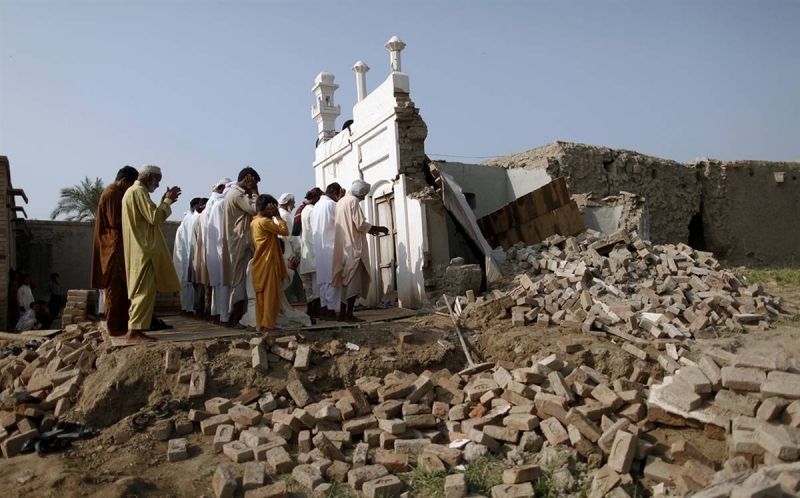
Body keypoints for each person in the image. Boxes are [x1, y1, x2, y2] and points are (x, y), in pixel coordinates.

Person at [122, 164, 182, 343]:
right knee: (144, 292)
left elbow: (148, 216)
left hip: (140, 249)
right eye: (157, 181)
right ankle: (134, 332)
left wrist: (163, 201)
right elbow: (154, 217)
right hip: (144, 250)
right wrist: (167, 201)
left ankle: (136, 329)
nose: (157, 185)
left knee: (143, 291)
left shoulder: (134, 193)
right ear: (149, 177)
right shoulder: (138, 192)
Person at [332, 179, 389, 322]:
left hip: (343, 246)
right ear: (360, 192)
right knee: (353, 281)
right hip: (354, 247)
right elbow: (360, 224)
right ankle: (349, 314)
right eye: (364, 195)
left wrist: (370, 231)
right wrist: (379, 228)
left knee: (346, 281)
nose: (364, 198)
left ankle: (342, 314)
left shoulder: (341, 202)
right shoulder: (353, 201)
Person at [91, 165, 139, 337]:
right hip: (113, 250)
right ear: (125, 181)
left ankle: (122, 325)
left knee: (122, 291)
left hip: (118, 249)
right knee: (114, 290)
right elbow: (116, 221)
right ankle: (115, 328)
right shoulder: (111, 194)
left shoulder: (116, 193)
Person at [221, 167, 260, 327]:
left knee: (241, 280)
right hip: (239, 241)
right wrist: (255, 191)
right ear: (248, 178)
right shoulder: (237, 194)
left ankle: (237, 317)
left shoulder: (235, 194)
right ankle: (235, 318)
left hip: (238, 241)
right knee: (240, 281)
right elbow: (256, 208)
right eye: (253, 182)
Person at [250, 194, 289, 331]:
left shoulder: (254, 221)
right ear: (268, 209)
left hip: (260, 262)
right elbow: (285, 231)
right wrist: (278, 216)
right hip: (268, 262)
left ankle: (261, 323)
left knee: (261, 296)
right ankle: (268, 324)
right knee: (271, 295)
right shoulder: (264, 222)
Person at [312, 182, 345, 320]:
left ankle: (325, 309)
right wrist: (341, 201)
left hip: (320, 247)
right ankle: (331, 311)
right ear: (334, 192)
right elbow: (341, 222)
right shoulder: (331, 205)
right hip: (330, 246)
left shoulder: (316, 206)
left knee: (324, 281)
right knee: (332, 279)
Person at [205, 180, 233, 325]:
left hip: (221, 249)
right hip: (225, 249)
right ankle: (224, 317)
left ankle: (221, 316)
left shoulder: (216, 204)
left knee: (223, 285)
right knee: (226, 284)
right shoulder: (220, 205)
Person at [174, 198, 201, 316]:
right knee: (188, 286)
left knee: (186, 286)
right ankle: (188, 309)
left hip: (184, 257)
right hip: (186, 256)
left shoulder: (187, 219)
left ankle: (187, 308)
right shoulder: (190, 219)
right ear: (196, 206)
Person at [299, 188, 323, 317]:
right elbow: (316, 231)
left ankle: (310, 309)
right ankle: (316, 310)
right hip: (313, 252)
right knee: (316, 284)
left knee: (309, 285)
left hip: (306, 252)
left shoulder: (304, 210)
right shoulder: (312, 211)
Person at [278, 192, 304, 303]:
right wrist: (300, 251)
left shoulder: (279, 214)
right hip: (289, 254)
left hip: (284, 252)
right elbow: (291, 237)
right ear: (288, 203)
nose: (294, 206)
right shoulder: (285, 215)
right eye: (293, 203)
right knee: (290, 281)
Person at [189, 197, 209, 319]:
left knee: (199, 287)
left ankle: (199, 312)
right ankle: (200, 312)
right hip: (199, 257)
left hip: (196, 257)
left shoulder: (196, 219)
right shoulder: (198, 220)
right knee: (201, 288)